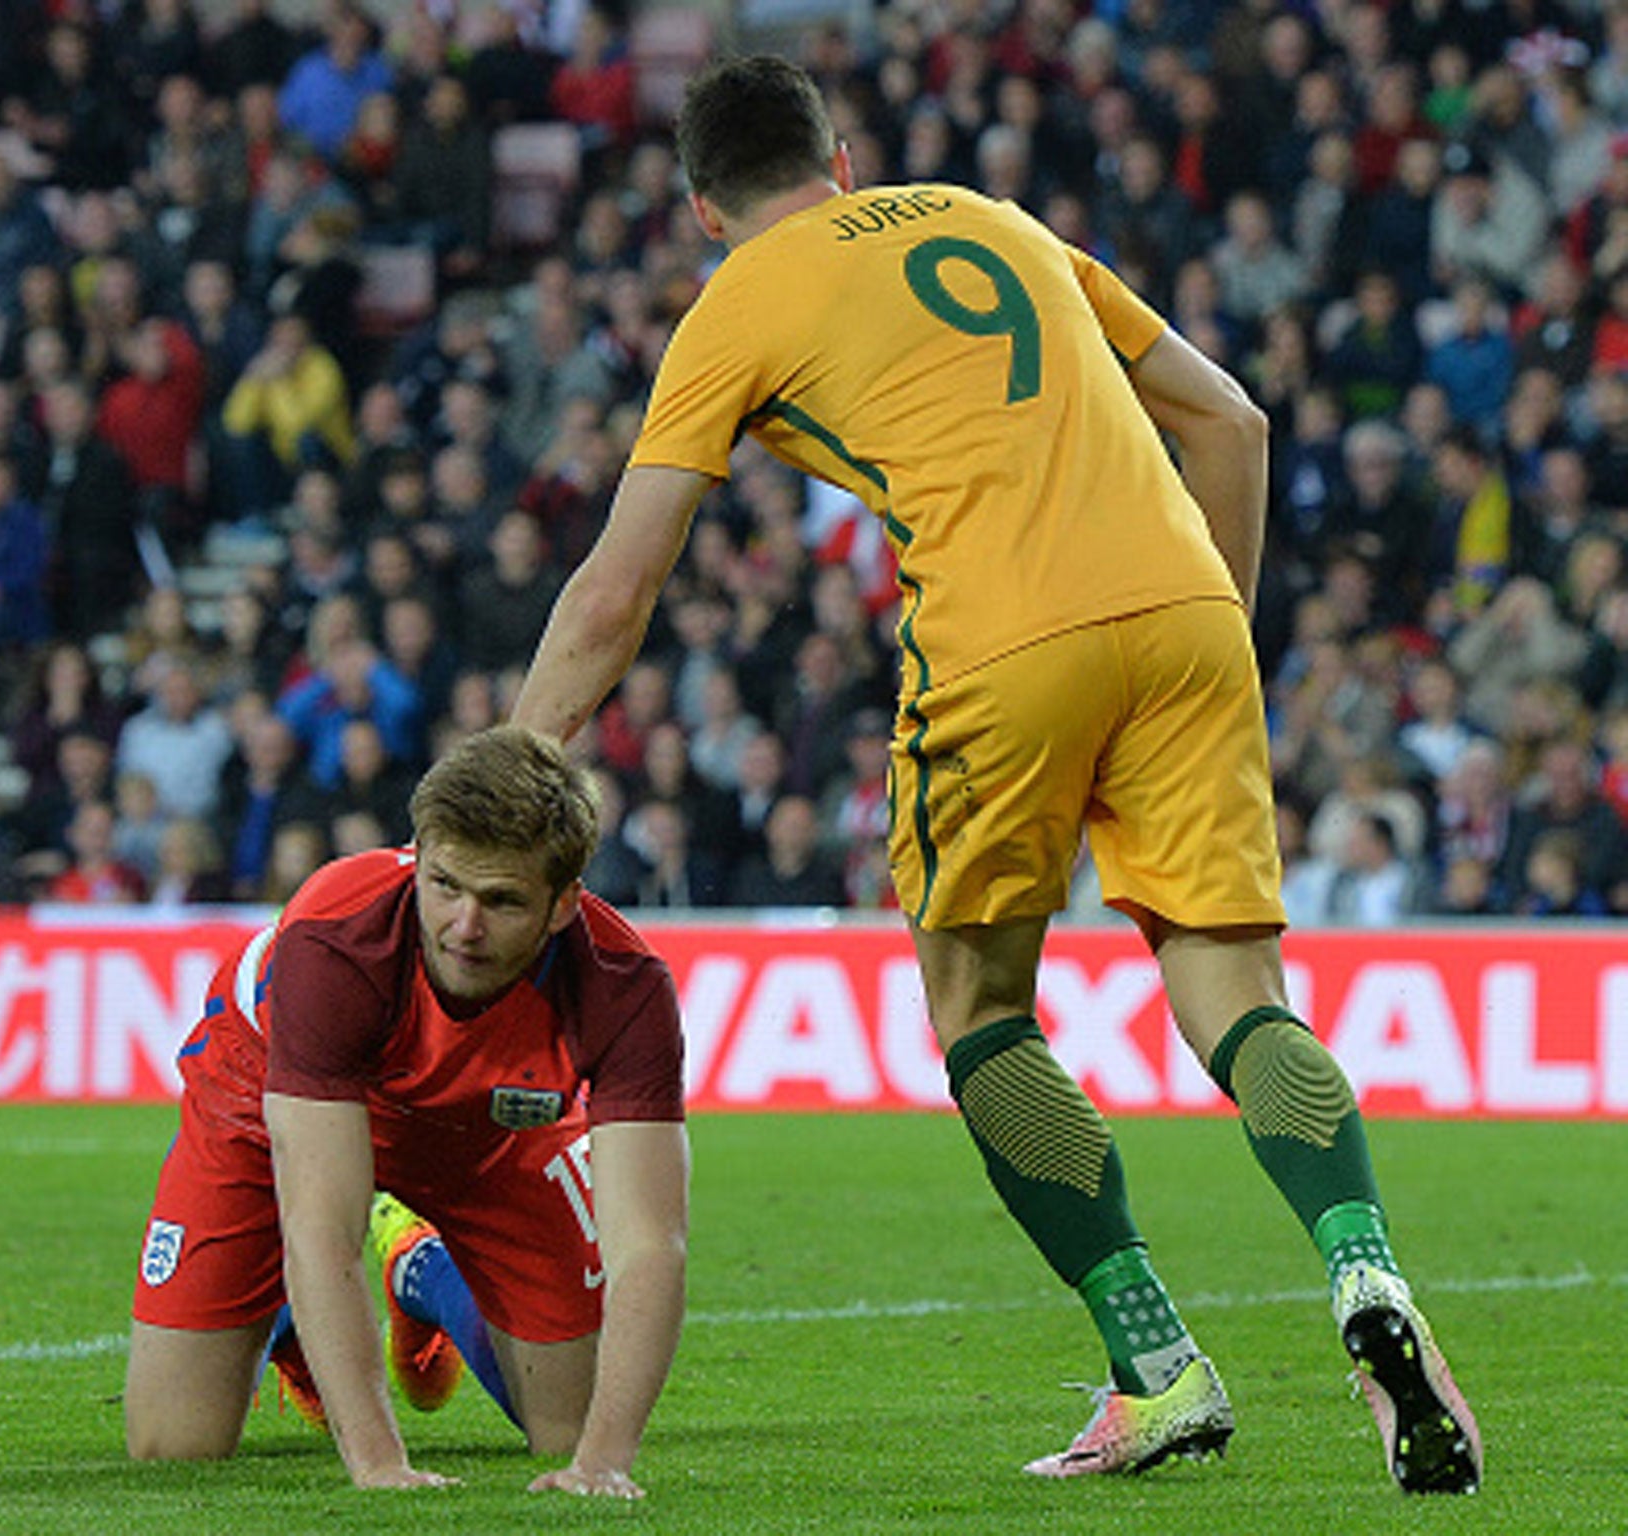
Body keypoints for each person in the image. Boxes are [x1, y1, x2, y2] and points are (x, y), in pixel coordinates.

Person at [508, 58, 1479, 1495]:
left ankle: (1157, 1367)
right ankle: (1365, 1271)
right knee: (1234, 996)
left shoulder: (742, 298)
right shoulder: (993, 214)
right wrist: (1210, 634)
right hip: (1189, 616)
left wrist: (507, 786)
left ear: (704, 207)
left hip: (1004, 641)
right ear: (842, 157)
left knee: (980, 1012)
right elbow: (1235, 424)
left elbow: (615, 590)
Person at [125, 726, 689, 1499]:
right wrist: (380, 1463)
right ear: (418, 857)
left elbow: (651, 1245)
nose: (464, 926)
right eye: (446, 885)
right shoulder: (335, 940)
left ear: (564, 905)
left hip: (489, 1137)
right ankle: (288, 1320)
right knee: (172, 1443)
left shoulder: (626, 987)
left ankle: (417, 1268)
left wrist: (603, 1463)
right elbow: (320, 1225)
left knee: (572, 1423)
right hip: (263, 1095)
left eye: (502, 901)